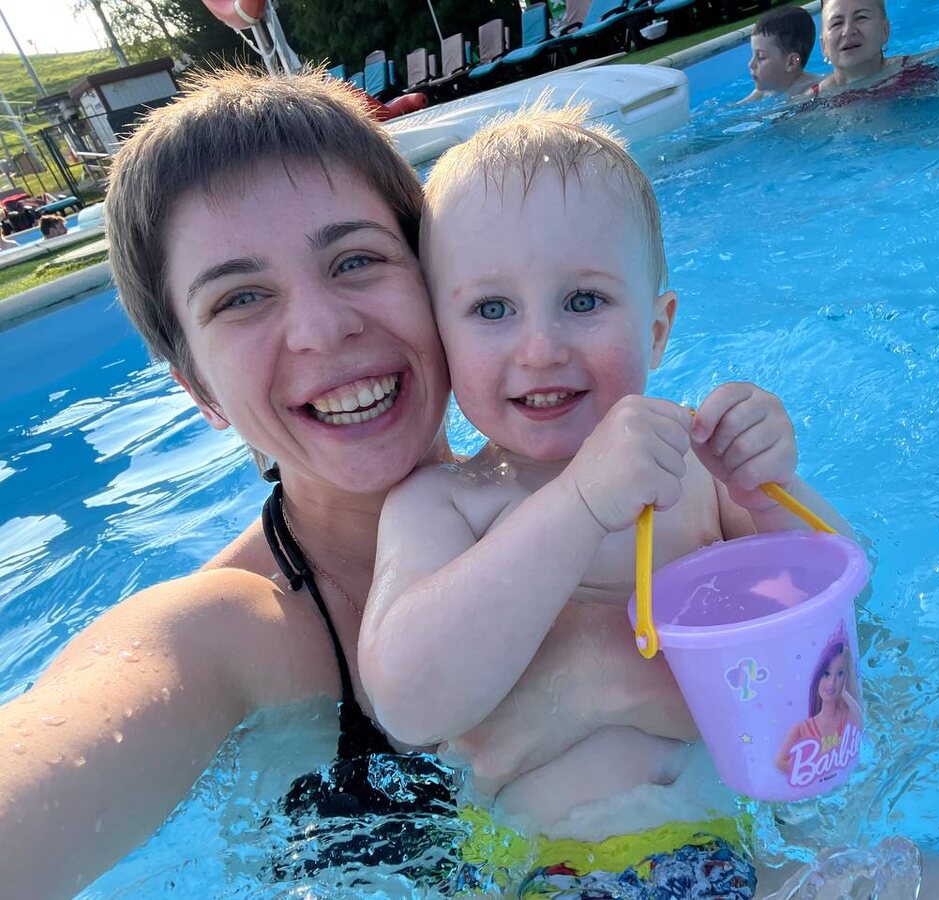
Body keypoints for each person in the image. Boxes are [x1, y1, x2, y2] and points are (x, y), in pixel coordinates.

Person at [0, 70, 695, 898]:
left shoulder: (640, 484)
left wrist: (613, 667)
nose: (323, 330)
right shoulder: (217, 638)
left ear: (437, 279)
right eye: (241, 297)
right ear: (200, 391)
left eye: (356, 259)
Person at [357, 103, 857, 895]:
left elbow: (841, 609)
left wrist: (768, 487)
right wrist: (583, 500)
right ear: (442, 341)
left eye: (584, 301)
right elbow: (408, 702)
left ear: (657, 330)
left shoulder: (697, 474)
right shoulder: (444, 506)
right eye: (491, 310)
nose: (540, 348)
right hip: (556, 872)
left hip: (746, 852)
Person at [808, 0, 939, 102]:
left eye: (861, 17)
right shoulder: (811, 101)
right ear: (824, 46)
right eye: (837, 23)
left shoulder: (920, 72)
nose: (848, 31)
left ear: (885, 31)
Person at [775, 637, 864, 772]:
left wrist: (845, 694)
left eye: (840, 674)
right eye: (826, 673)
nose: (832, 682)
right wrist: (809, 768)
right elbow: (780, 762)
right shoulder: (802, 729)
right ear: (818, 676)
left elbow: (860, 727)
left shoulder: (846, 716)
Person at [739, 6, 819, 104]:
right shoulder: (766, 88)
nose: (751, 64)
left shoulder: (813, 90)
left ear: (791, 62)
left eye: (761, 57)